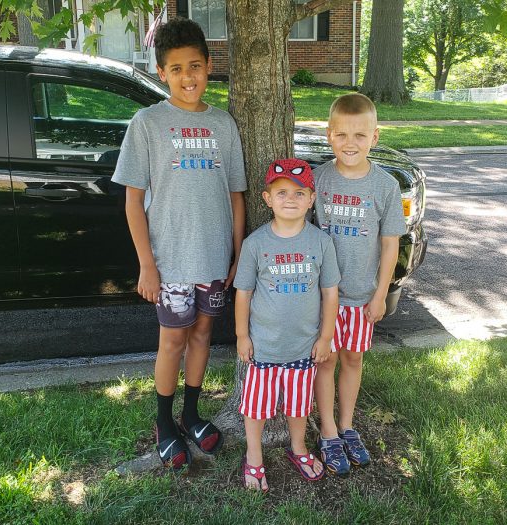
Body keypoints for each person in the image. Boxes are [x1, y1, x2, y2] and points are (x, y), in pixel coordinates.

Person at [111, 17, 246, 470]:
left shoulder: (223, 124)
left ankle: (191, 413)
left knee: (204, 334)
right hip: (169, 261)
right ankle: (164, 421)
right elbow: (133, 202)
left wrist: (237, 251)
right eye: (176, 69)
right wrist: (146, 265)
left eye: (195, 66)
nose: (188, 77)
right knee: (172, 340)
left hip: (212, 258)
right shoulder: (147, 123)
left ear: (209, 65)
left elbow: (235, 194)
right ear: (162, 73)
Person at [313, 93, 405, 476]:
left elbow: (390, 244)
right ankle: (329, 431)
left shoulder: (385, 186)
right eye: (342, 135)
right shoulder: (317, 179)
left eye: (360, 135)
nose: (350, 143)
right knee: (327, 360)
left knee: (352, 359)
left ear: (375, 137)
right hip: (322, 298)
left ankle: (348, 425)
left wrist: (381, 293)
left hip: (363, 296)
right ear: (330, 135)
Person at [234, 159, 340, 492]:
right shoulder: (255, 244)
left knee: (298, 405)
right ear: (267, 198)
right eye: (281, 192)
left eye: (299, 192)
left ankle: (298, 448)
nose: (290, 199)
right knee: (257, 407)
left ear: (311, 199)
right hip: (263, 346)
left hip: (303, 346)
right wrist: (241, 335)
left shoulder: (321, 243)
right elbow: (243, 294)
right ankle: (254, 455)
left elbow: (330, 292)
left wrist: (326, 337)